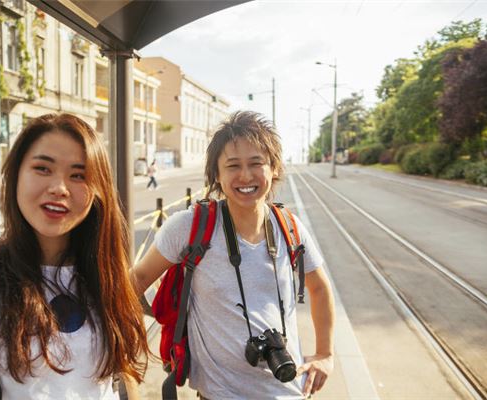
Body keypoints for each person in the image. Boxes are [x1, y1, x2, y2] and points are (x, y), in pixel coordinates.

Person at [0, 114, 149, 399]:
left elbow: (122, 377)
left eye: (78, 175)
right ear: (16, 175)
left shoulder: (109, 276)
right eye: (42, 168)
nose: (59, 188)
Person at [131, 111, 336, 399]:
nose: (245, 176)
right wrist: (117, 352)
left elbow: (319, 287)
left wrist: (325, 353)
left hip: (289, 391)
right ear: (216, 173)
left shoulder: (288, 227)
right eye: (233, 165)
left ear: (273, 168)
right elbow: (136, 280)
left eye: (256, 163)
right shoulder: (190, 227)